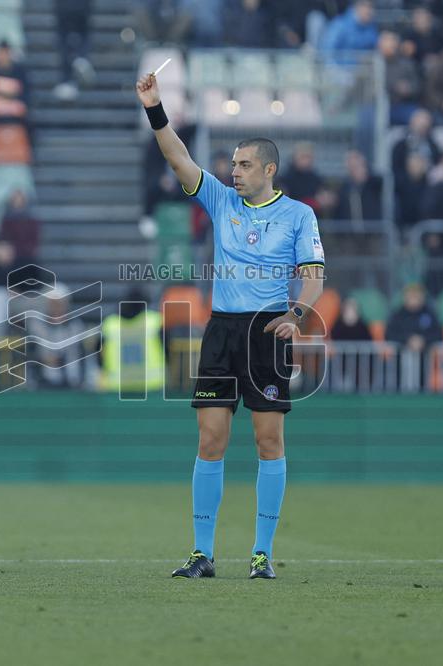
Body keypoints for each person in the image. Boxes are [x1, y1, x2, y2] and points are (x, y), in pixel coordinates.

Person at [137, 69, 325, 580]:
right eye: (232, 164)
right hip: (222, 330)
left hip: (267, 331)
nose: (234, 171)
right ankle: (202, 552)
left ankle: (261, 553)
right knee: (210, 438)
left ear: (268, 169)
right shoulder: (220, 200)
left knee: (269, 442)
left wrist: (297, 315)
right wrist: (156, 110)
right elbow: (178, 157)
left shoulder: (299, 216)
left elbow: (312, 280)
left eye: (243, 165)